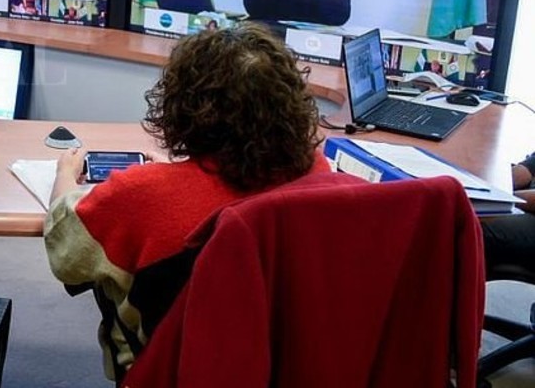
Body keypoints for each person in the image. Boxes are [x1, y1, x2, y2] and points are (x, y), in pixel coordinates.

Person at [43, 23, 331, 380]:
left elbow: (65, 254)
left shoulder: (137, 196)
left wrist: (64, 176)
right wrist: (177, 178)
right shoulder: (321, 177)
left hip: (171, 371)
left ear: (184, 107)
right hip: (282, 363)